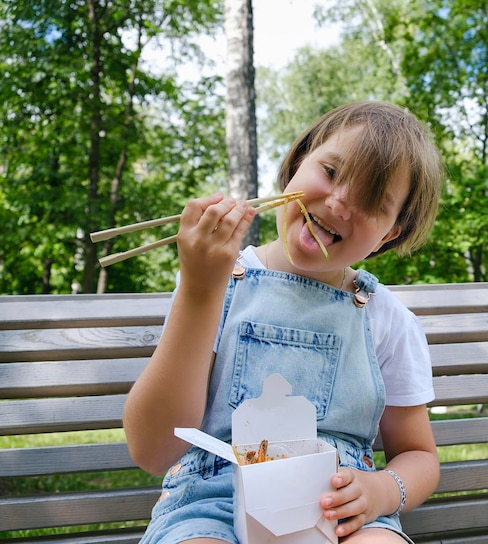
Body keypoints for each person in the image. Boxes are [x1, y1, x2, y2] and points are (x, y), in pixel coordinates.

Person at [123, 101, 444, 544]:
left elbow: (418, 455)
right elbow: (153, 449)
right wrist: (199, 291)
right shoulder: (214, 283)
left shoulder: (387, 319)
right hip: (212, 504)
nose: (339, 202)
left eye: (372, 200)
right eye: (331, 172)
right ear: (296, 164)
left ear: (390, 234)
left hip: (342, 516)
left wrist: (381, 490)